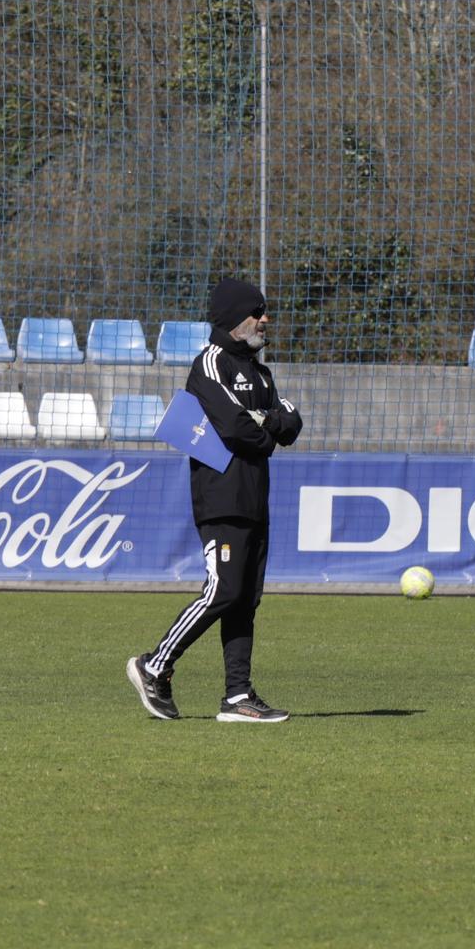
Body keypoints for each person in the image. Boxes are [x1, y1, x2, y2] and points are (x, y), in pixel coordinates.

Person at [127, 277, 303, 723]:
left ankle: (237, 697)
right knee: (222, 590)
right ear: (234, 319)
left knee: (245, 599)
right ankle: (155, 664)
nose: (266, 320)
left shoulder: (259, 370)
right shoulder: (210, 363)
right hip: (221, 496)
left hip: (254, 498)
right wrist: (266, 424)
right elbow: (239, 429)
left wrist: (263, 421)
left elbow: (292, 423)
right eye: (258, 313)